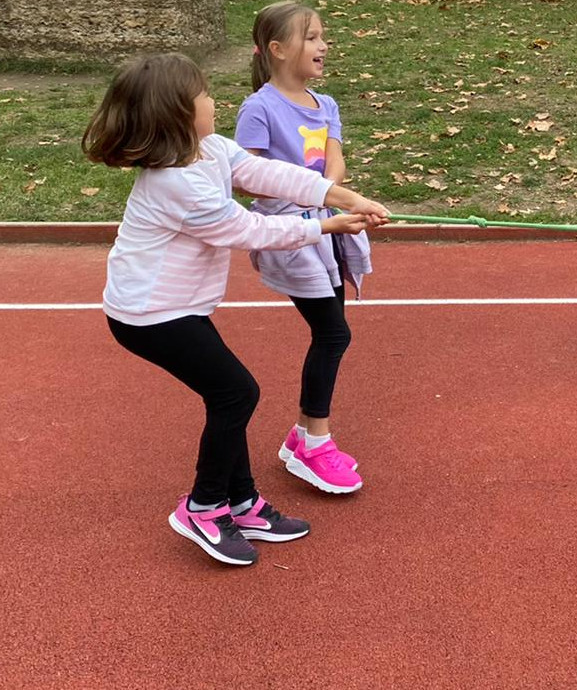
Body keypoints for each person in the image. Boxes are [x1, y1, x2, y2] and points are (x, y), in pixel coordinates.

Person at [83, 53, 388, 566]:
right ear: (178, 113)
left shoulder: (209, 150)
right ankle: (203, 508)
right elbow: (248, 229)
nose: (213, 100)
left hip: (179, 307)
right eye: (202, 95)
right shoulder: (174, 184)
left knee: (229, 393)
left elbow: (269, 173)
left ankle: (242, 502)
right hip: (149, 316)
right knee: (236, 393)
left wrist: (341, 195)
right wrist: (326, 224)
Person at [236, 0, 373, 495]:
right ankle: (315, 442)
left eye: (322, 36)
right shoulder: (259, 108)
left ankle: (301, 436)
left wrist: (329, 198)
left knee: (330, 332)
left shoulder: (325, 104)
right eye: (311, 37)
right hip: (291, 234)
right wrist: (306, 198)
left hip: (327, 225)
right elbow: (244, 175)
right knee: (333, 334)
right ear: (277, 49)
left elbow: (335, 164)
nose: (323, 45)